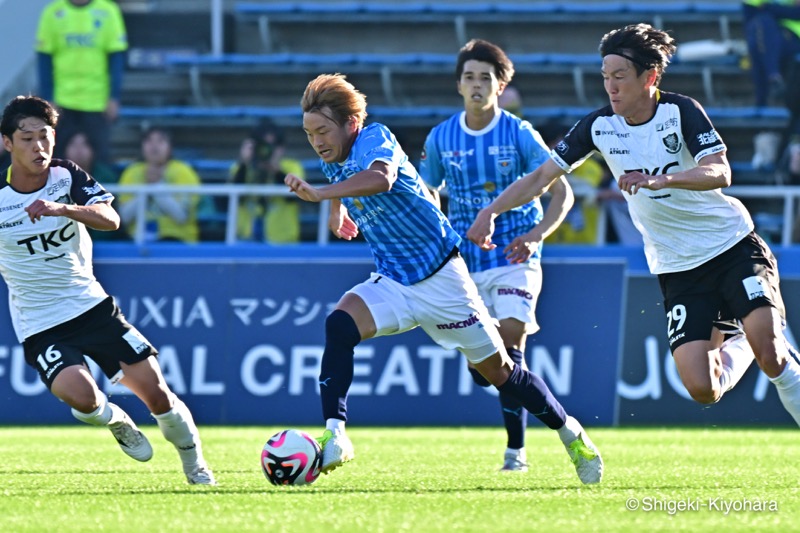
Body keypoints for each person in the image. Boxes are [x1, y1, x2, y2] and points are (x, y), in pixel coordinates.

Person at [468, 23, 800, 427]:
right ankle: (740, 337)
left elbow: (720, 171)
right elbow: (540, 179)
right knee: (703, 388)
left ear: (650, 77)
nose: (611, 86)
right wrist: (490, 212)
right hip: (677, 266)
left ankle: (761, 337)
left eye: (620, 76)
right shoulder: (598, 126)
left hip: (730, 245)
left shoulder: (680, 111)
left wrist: (661, 179)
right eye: (605, 77)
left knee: (772, 354)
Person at [283, 73, 603, 484]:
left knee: (501, 373)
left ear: (351, 123)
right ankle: (336, 435)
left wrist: (323, 196)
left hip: (442, 279)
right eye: (309, 135)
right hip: (395, 281)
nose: (317, 142)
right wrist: (335, 208)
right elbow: (345, 181)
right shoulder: (335, 157)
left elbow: (381, 178)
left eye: (323, 131)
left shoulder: (375, 138)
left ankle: (570, 433)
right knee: (339, 324)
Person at [0, 95, 215, 484]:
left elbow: (111, 218)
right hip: (39, 323)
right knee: (82, 397)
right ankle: (115, 420)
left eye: (45, 136)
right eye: (27, 138)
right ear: (7, 143)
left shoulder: (66, 178)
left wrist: (62, 209)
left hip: (92, 308)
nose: (39, 147)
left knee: (158, 394)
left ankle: (195, 466)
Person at [418, 40, 574, 472]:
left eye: (485, 78)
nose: (476, 85)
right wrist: (438, 230)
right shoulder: (442, 137)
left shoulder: (519, 133)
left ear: (501, 85)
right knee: (488, 364)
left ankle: (515, 450)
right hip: (465, 261)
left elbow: (562, 191)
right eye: (469, 77)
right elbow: (427, 189)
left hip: (515, 253)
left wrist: (536, 233)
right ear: (458, 85)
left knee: (510, 339)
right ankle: (495, 394)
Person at [36, 0, 128, 166]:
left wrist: (114, 97)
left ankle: (99, 192)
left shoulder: (108, 11)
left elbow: (116, 58)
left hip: (96, 102)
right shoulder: (53, 12)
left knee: (100, 160)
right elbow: (44, 59)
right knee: (57, 159)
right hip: (62, 101)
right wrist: (48, 98)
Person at [117, 127, 202, 243]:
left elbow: (181, 216)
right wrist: (147, 189)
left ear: (170, 147)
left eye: (160, 141)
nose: (154, 146)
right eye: (149, 141)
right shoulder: (131, 172)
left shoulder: (184, 172)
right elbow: (124, 217)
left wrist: (156, 186)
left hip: (177, 239)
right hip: (137, 239)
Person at [229, 119, 305, 243]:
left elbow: (296, 196)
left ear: (281, 148)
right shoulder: (240, 168)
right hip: (245, 239)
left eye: (271, 146)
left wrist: (275, 170)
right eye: (261, 145)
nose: (265, 151)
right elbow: (234, 200)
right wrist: (244, 163)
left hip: (282, 241)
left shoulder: (292, 168)